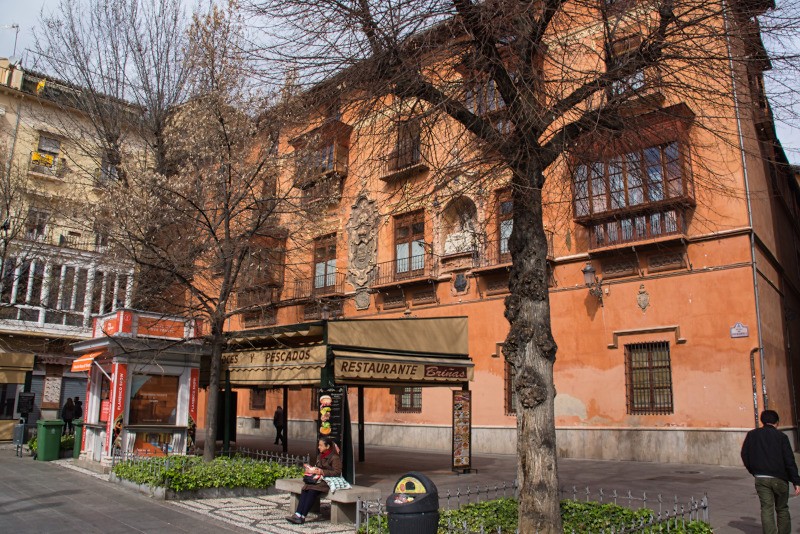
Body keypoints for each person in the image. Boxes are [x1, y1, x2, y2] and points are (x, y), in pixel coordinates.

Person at [741, 410, 800, 534]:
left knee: (766, 509)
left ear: (762, 421)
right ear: (777, 422)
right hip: (779, 477)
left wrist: (753, 470)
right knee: (782, 508)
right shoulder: (781, 437)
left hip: (761, 477)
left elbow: (744, 454)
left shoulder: (752, 435)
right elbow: (789, 460)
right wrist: (796, 481)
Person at [286, 437, 342, 524]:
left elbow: (337, 472)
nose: (319, 447)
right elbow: (318, 467)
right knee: (305, 488)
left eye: (321, 445)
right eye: (318, 445)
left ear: (327, 446)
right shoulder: (320, 455)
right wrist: (311, 469)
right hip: (318, 479)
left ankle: (302, 516)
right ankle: (298, 514)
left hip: (328, 481)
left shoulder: (334, 457)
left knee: (312, 490)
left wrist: (322, 472)